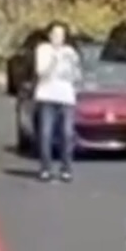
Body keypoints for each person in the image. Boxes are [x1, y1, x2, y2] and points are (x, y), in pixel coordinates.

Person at [33, 22, 81, 182]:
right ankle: (45, 168)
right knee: (46, 133)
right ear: (49, 35)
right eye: (55, 34)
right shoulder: (43, 50)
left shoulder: (70, 51)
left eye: (61, 35)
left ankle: (66, 168)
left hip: (66, 97)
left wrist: (73, 64)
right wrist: (54, 60)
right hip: (47, 96)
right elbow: (41, 72)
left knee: (67, 133)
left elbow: (76, 76)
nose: (58, 38)